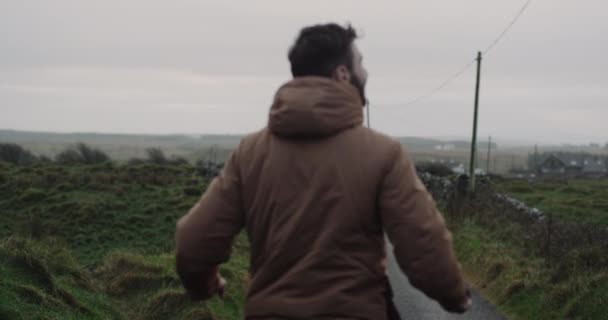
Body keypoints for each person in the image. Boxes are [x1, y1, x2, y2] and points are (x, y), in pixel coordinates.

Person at [175, 23, 471, 319]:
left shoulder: (249, 153)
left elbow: (193, 241)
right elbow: (423, 243)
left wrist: (205, 285)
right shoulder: (383, 153)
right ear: (343, 74)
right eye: (361, 64)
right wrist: (454, 296)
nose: (366, 73)